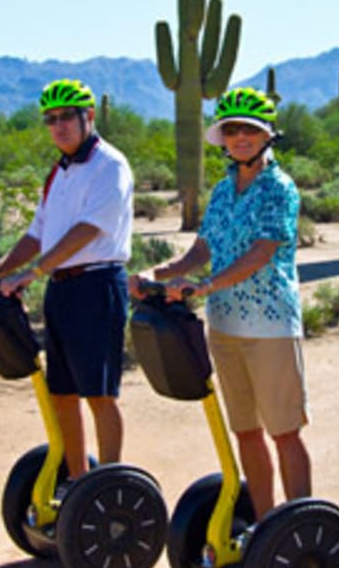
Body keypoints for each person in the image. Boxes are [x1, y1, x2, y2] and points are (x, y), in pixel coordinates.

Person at [129, 87, 310, 521]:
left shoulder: (279, 188)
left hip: (270, 327)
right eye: (232, 130)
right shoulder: (224, 192)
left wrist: (206, 286)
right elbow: (201, 250)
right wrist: (160, 274)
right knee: (245, 432)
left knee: (284, 432)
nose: (240, 137)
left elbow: (263, 251)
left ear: (267, 134)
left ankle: (301, 526)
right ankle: (268, 528)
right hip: (225, 326)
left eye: (250, 128)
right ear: (224, 139)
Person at [0, 78, 134, 484]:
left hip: (97, 285)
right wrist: (0, 269)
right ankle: (79, 480)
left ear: (89, 117)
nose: (58, 126)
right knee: (61, 392)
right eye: (51, 119)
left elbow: (88, 230)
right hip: (61, 290)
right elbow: (36, 233)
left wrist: (34, 273)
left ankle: (108, 482)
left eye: (66, 117)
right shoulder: (57, 174)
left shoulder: (109, 166)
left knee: (99, 394)